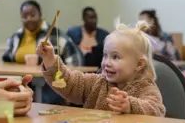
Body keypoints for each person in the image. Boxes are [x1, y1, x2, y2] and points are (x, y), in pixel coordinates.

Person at [37, 21, 166, 116]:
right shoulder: (97, 82)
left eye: (115, 57)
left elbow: (156, 110)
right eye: (105, 55)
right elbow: (69, 82)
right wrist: (50, 60)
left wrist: (130, 105)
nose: (106, 63)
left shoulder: (146, 88)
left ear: (139, 64)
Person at [2, 0, 83, 105]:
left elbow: (75, 60)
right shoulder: (16, 37)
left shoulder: (54, 34)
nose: (29, 19)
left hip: (49, 84)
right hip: (23, 82)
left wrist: (68, 83)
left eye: (33, 15)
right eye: (25, 16)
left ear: (40, 15)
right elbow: (7, 59)